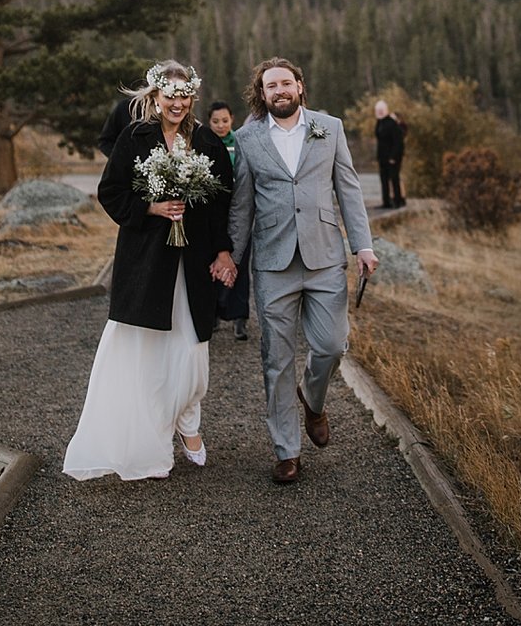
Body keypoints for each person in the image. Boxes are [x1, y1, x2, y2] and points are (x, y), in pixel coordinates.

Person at [63, 60, 233, 481]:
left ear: (192, 96)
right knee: (151, 357)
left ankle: (187, 421)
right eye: (169, 95)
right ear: (155, 97)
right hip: (147, 263)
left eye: (184, 94)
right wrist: (151, 208)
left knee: (193, 357)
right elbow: (110, 191)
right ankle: (158, 433)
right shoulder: (134, 138)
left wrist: (224, 251)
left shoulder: (208, 142)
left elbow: (223, 203)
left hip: (193, 264)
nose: (177, 102)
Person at [212, 56, 379, 484]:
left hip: (324, 257)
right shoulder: (248, 139)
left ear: (300, 87)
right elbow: (242, 204)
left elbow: (349, 188)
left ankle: (313, 397)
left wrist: (362, 245)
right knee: (276, 359)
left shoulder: (330, 127)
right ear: (262, 93)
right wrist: (231, 253)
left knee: (332, 345)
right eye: (271, 86)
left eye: (286, 83)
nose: (280, 91)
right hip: (273, 262)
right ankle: (287, 451)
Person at [208, 101, 250, 341]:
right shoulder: (204, 142)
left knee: (240, 263)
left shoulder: (240, 143)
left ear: (232, 119)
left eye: (225, 121)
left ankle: (239, 317)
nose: (221, 125)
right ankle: (213, 312)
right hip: (213, 213)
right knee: (212, 263)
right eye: (216, 121)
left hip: (239, 213)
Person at [374, 98, 406, 209]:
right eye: (378, 110)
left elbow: (398, 142)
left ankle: (397, 201)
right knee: (384, 180)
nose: (380, 112)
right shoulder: (379, 123)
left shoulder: (392, 124)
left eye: (381, 110)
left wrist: (393, 156)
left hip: (392, 157)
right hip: (382, 157)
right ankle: (386, 202)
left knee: (394, 178)